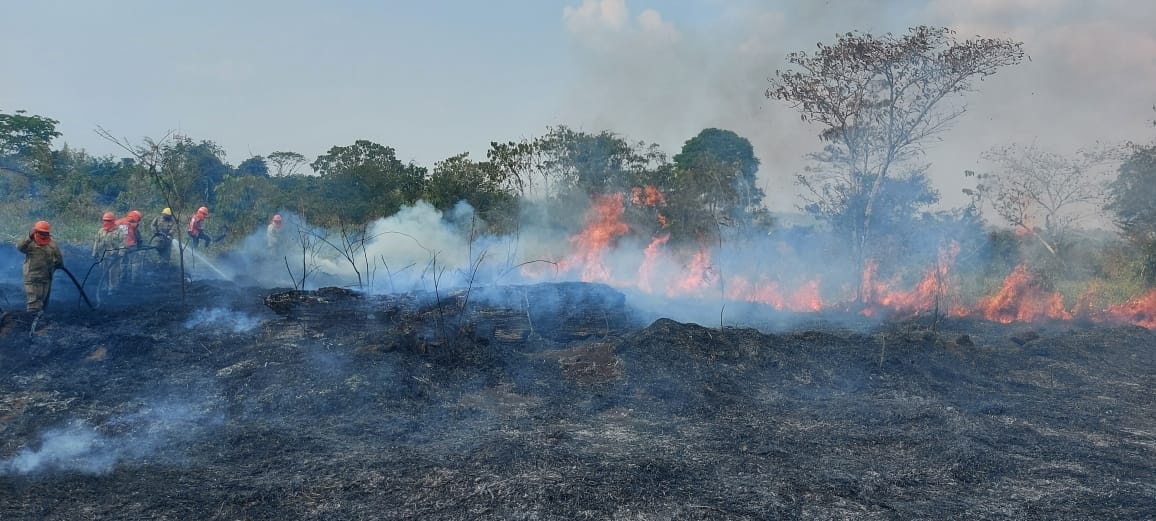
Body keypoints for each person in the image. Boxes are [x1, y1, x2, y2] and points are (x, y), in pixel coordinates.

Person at [17, 221, 64, 313]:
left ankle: (40, 318)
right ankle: (32, 319)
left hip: (46, 277)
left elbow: (59, 259)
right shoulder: (30, 244)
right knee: (34, 301)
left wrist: (58, 265)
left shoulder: (52, 244)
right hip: (32, 277)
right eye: (41, 232)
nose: (43, 235)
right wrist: (28, 237)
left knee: (43, 298)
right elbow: (19, 247)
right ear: (35, 232)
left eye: (45, 233)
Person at [92, 211, 125, 293]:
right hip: (103, 256)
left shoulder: (119, 231)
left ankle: (113, 289)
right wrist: (94, 253)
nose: (106, 222)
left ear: (113, 221)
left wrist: (121, 254)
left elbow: (123, 243)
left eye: (108, 221)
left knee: (113, 274)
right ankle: (105, 287)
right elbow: (96, 242)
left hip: (114, 257)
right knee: (104, 272)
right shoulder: (101, 231)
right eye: (105, 220)